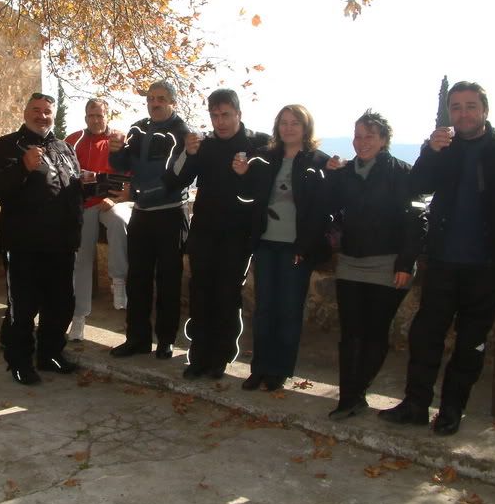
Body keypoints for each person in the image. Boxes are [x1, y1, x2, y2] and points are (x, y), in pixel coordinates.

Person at [379, 81, 495, 435]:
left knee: (471, 342)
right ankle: (415, 404)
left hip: (488, 264)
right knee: (425, 335)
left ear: (485, 109)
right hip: (442, 260)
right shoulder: (443, 148)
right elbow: (416, 187)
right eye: (456, 107)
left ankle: (452, 409)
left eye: (470, 106)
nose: (463, 113)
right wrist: (431, 152)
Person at [321, 111, 426, 420]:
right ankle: (348, 397)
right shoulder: (345, 172)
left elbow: (417, 221)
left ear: (383, 140)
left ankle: (357, 393)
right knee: (351, 333)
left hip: (388, 264)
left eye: (369, 136)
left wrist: (405, 263)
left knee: (375, 332)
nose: (362, 142)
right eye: (357, 136)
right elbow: (327, 207)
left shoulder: (402, 173)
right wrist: (329, 175)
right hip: (351, 261)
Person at [165, 88, 269, 379]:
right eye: (214, 116)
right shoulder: (204, 145)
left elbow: (268, 185)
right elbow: (173, 181)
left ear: (238, 114)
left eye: (225, 115)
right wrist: (188, 153)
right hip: (204, 232)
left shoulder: (258, 144)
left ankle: (220, 357)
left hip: (237, 235)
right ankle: (199, 355)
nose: (220, 122)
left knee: (227, 295)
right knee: (200, 293)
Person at [0, 92, 83, 385]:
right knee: (23, 308)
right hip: (23, 243)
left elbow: (71, 190)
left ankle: (50, 355)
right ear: (26, 113)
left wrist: (93, 185)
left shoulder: (65, 148)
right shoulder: (7, 146)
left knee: (61, 304)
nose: (42, 116)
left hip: (61, 243)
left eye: (47, 111)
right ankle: (19, 362)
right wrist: (22, 167)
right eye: (36, 110)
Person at [234, 105, 330, 391]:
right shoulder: (265, 157)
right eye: (283, 123)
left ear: (306, 127)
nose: (288, 128)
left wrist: (306, 245)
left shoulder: (319, 161)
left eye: (295, 123)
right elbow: (249, 197)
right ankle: (259, 368)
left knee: (288, 310)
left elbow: (322, 210)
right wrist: (243, 174)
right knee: (264, 309)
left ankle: (279, 370)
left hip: (297, 248)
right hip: (266, 243)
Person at [107, 80, 190, 359]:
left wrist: (136, 193)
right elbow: (121, 166)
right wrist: (116, 150)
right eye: (151, 98)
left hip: (170, 214)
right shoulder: (137, 128)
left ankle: (166, 340)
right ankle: (137, 339)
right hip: (141, 214)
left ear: (173, 102)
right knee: (137, 279)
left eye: (161, 99)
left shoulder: (183, 133)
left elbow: (175, 180)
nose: (155, 103)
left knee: (169, 281)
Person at [65, 98, 132, 340]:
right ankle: (79, 318)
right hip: (84, 205)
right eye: (91, 116)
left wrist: (118, 199)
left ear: (107, 116)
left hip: (112, 203)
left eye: (100, 115)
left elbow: (130, 175)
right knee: (81, 259)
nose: (95, 120)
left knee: (118, 221)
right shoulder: (74, 140)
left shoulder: (118, 139)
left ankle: (118, 279)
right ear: (85, 117)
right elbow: (64, 173)